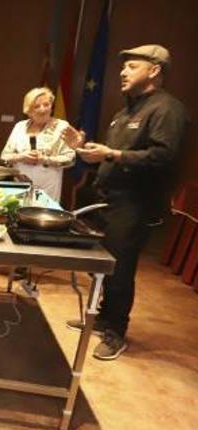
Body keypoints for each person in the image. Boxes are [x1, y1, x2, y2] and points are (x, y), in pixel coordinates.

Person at [62, 44, 188, 360]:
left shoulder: (166, 109)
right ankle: (102, 318)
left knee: (120, 270)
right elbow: (110, 158)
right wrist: (86, 150)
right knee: (105, 267)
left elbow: (164, 156)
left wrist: (113, 154)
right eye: (124, 66)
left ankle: (116, 332)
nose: (122, 71)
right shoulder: (124, 112)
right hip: (110, 201)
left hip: (135, 204)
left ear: (154, 70)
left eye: (132, 66)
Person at [0, 87, 75, 201]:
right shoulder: (19, 126)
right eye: (37, 106)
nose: (43, 109)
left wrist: (44, 159)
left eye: (46, 104)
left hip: (47, 188)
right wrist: (22, 157)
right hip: (20, 186)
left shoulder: (62, 126)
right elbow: (4, 157)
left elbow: (70, 159)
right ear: (28, 110)